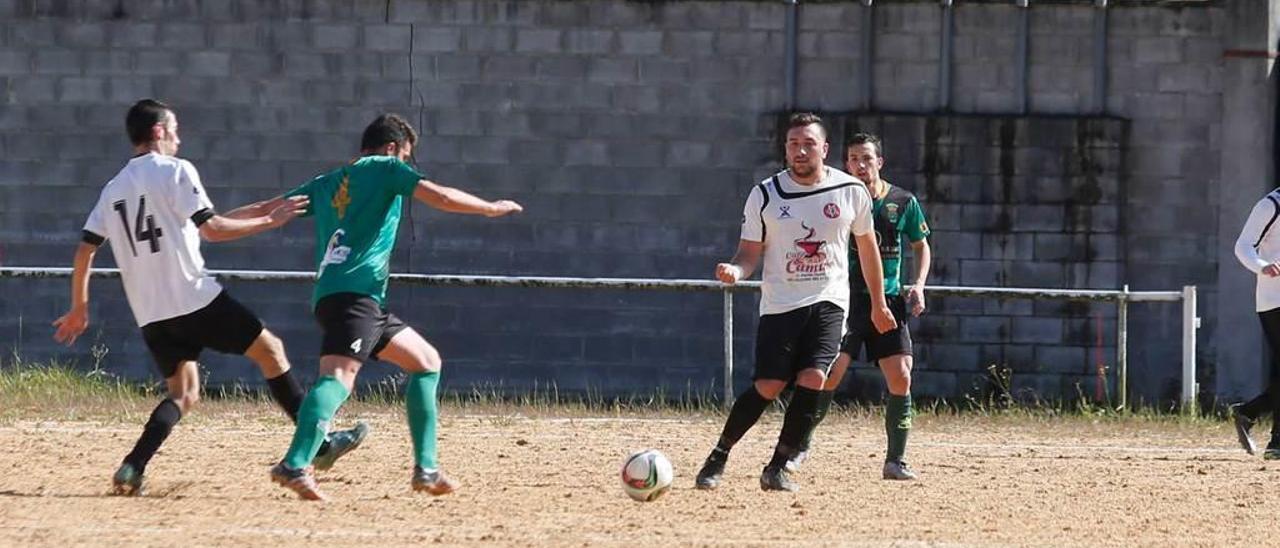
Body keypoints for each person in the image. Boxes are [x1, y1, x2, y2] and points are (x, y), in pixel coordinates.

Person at [52, 99, 367, 496]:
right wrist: (271, 220)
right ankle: (318, 446)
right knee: (272, 352)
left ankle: (132, 467)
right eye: (175, 130)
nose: (179, 139)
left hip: (151, 314)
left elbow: (85, 249)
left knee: (183, 393)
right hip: (196, 298)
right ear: (158, 132)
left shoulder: (113, 188)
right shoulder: (176, 170)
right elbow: (212, 229)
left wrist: (79, 307)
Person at [268, 113, 523, 501]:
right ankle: (295, 463)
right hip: (356, 295)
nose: (405, 165)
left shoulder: (328, 182)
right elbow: (438, 195)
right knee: (337, 379)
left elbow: (269, 207)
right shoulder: (387, 168)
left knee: (426, 362)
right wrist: (488, 208)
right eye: (406, 156)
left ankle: (427, 469)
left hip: (347, 297)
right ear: (391, 149)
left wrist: (210, 222)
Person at [693, 113, 896, 492]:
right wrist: (736, 271)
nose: (800, 151)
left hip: (829, 299)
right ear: (785, 149)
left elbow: (868, 251)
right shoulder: (765, 194)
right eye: (793, 144)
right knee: (769, 385)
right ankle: (720, 453)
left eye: (808, 144)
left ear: (825, 149)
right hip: (781, 303)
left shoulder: (851, 190)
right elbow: (749, 252)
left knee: (814, 377)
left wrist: (878, 303)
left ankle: (778, 465)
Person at [786, 133, 932, 480]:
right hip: (845, 298)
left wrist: (920, 285)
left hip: (889, 300)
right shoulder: (839, 199)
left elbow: (921, 244)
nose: (859, 165)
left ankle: (895, 460)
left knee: (901, 376)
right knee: (829, 373)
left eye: (866, 158)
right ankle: (800, 445)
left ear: (878, 163)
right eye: (853, 159)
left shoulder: (902, 201)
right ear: (846, 163)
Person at [1231, 187, 1280, 459]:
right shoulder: (1270, 205)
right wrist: (1262, 266)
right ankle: (1258, 422)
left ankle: (1251, 415)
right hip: (1274, 299)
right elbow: (1243, 246)